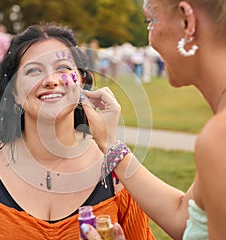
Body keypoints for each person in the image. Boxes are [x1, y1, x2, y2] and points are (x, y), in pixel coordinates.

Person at [0, 23, 155, 240]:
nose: (51, 81)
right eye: (34, 70)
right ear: (14, 92)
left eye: (63, 68)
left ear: (82, 83)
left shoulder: (119, 177)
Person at [80, 0, 226, 239]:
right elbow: (184, 217)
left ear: (187, 21)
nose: (150, 39)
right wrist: (110, 144)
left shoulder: (219, 137)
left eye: (151, 20)